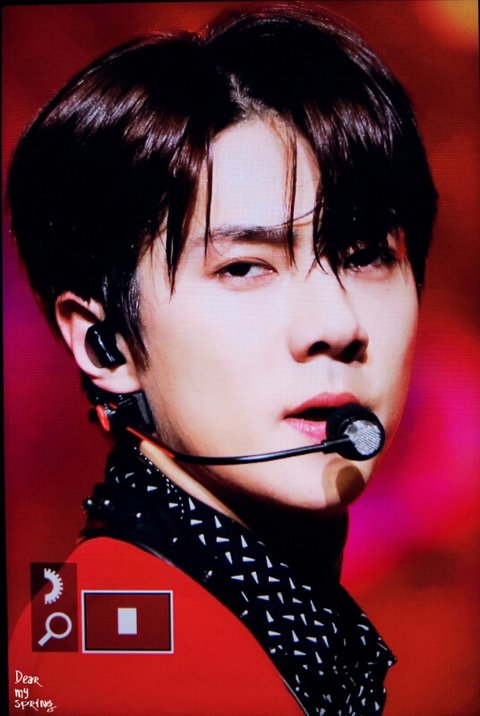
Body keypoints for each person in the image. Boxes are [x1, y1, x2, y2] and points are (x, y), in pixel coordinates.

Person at [7, 4, 437, 715]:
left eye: (364, 256)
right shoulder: (113, 656)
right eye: (243, 268)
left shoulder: (249, 613)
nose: (336, 326)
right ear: (103, 344)